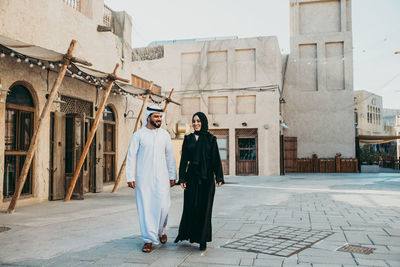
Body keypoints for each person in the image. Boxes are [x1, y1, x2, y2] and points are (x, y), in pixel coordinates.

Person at [126, 105, 177, 253]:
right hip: (144, 178)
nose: (158, 119)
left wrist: (172, 175)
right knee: (146, 208)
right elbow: (131, 156)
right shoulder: (138, 135)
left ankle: (161, 231)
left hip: (162, 177)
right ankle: (148, 240)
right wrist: (130, 176)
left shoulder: (165, 135)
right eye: (156, 117)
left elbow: (170, 156)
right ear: (148, 117)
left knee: (164, 207)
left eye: (160, 117)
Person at [174, 112, 224, 251]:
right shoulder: (188, 139)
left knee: (204, 208)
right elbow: (184, 160)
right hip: (192, 178)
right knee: (190, 206)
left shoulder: (210, 139)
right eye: (193, 121)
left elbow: (215, 159)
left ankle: (202, 240)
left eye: (198, 121)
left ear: (203, 122)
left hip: (207, 178)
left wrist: (219, 177)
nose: (195, 123)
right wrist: (182, 178)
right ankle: (187, 234)